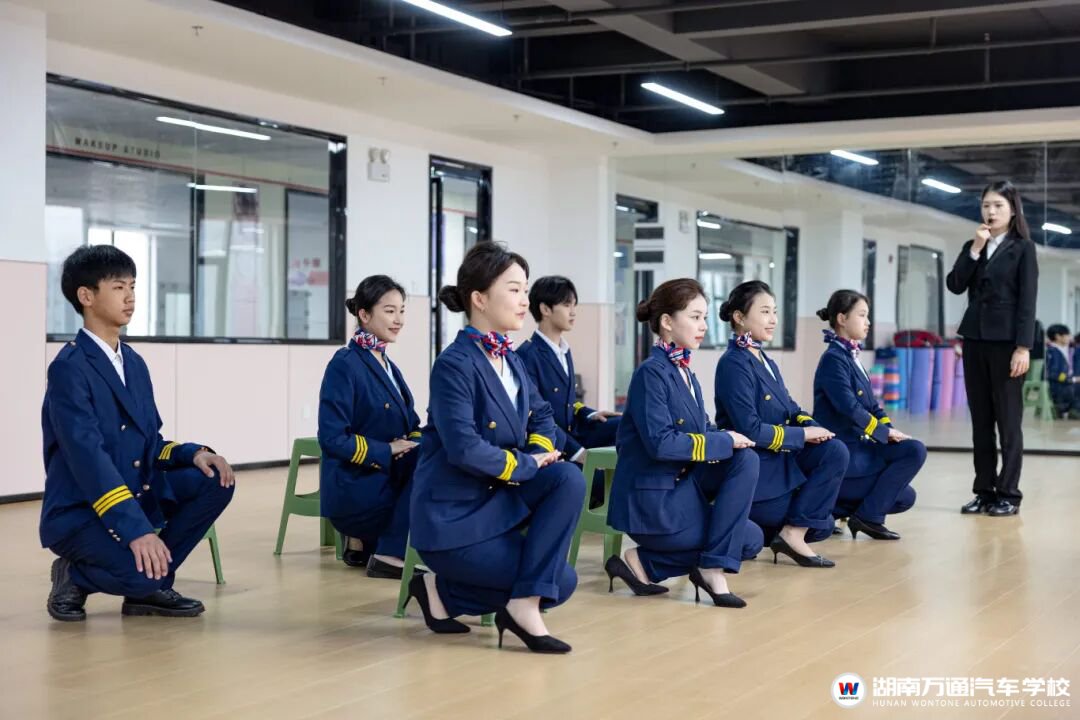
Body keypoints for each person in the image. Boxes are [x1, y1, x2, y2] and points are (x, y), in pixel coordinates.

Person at [408, 242, 585, 654]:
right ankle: (511, 603)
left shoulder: (512, 360)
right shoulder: (454, 364)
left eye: (526, 290)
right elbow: (464, 448)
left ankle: (447, 595)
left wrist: (540, 453)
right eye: (514, 290)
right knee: (557, 582)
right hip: (455, 520)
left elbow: (543, 416)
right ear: (479, 299)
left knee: (567, 479)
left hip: (497, 504)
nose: (524, 300)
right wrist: (527, 464)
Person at [42, 245, 235, 622]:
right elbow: (90, 462)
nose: (130, 297)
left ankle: (150, 582)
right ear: (86, 296)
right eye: (118, 287)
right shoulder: (69, 368)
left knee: (216, 480)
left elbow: (150, 443)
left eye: (132, 286)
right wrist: (136, 532)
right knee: (143, 576)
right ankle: (74, 575)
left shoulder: (133, 362)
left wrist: (194, 454)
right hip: (82, 511)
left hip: (136, 493)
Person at [606, 278, 759, 608]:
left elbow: (702, 428)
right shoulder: (651, 373)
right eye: (695, 317)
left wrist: (730, 440)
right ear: (667, 322)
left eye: (704, 318)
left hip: (682, 490)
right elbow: (661, 444)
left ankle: (643, 564)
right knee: (735, 540)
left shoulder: (686, 373)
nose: (703, 326)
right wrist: (723, 440)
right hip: (652, 501)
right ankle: (711, 570)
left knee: (751, 534)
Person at [714, 280, 848, 568]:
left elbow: (790, 408)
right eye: (765, 312)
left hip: (781, 464)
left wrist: (815, 428)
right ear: (739, 317)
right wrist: (802, 435)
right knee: (821, 524)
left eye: (774, 311)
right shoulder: (733, 363)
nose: (773, 319)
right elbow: (750, 430)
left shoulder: (765, 360)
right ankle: (762, 528)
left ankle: (791, 534)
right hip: (758, 471)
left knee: (834, 452)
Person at [317, 275, 422, 579]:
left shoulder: (388, 365)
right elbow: (332, 438)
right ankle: (389, 554)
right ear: (364, 314)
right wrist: (387, 450)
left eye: (402, 311)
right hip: (358, 487)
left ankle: (373, 544)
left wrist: (414, 444)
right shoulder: (345, 364)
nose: (399, 320)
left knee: (433, 454)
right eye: (390, 311)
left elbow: (413, 424)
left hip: (387, 480)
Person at [946, 180, 1039, 517]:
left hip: (1007, 346)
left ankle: (1009, 494)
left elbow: (1027, 302)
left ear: (1013, 210)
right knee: (981, 423)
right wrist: (975, 248)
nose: (991, 211)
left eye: (998, 205)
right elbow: (955, 284)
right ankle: (984, 491)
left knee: (1008, 424)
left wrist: (1023, 347)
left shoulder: (1023, 248)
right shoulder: (974, 245)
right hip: (974, 342)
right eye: (986, 205)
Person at [813, 290, 927, 540]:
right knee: (901, 495)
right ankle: (862, 516)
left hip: (863, 448)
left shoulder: (851, 356)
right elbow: (849, 407)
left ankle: (836, 509)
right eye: (862, 315)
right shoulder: (833, 359)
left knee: (913, 453)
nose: (868, 322)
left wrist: (891, 431)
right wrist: (882, 433)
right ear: (842, 319)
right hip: (846, 454)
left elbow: (873, 407)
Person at [516, 275, 621, 507]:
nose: (573, 312)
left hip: (574, 431)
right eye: (566, 305)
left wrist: (591, 414)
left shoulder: (564, 351)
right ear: (545, 309)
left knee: (624, 425)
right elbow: (538, 417)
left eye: (574, 305)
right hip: (554, 443)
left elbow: (567, 402)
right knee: (607, 482)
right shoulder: (527, 355)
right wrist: (577, 453)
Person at [1045, 324, 1080, 420]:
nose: (1070, 337)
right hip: (1058, 386)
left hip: (1065, 385)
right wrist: (1072, 379)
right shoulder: (1053, 352)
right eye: (1067, 335)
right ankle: (1073, 409)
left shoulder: (1066, 350)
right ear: (1058, 336)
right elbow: (1053, 374)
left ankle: (1073, 409)